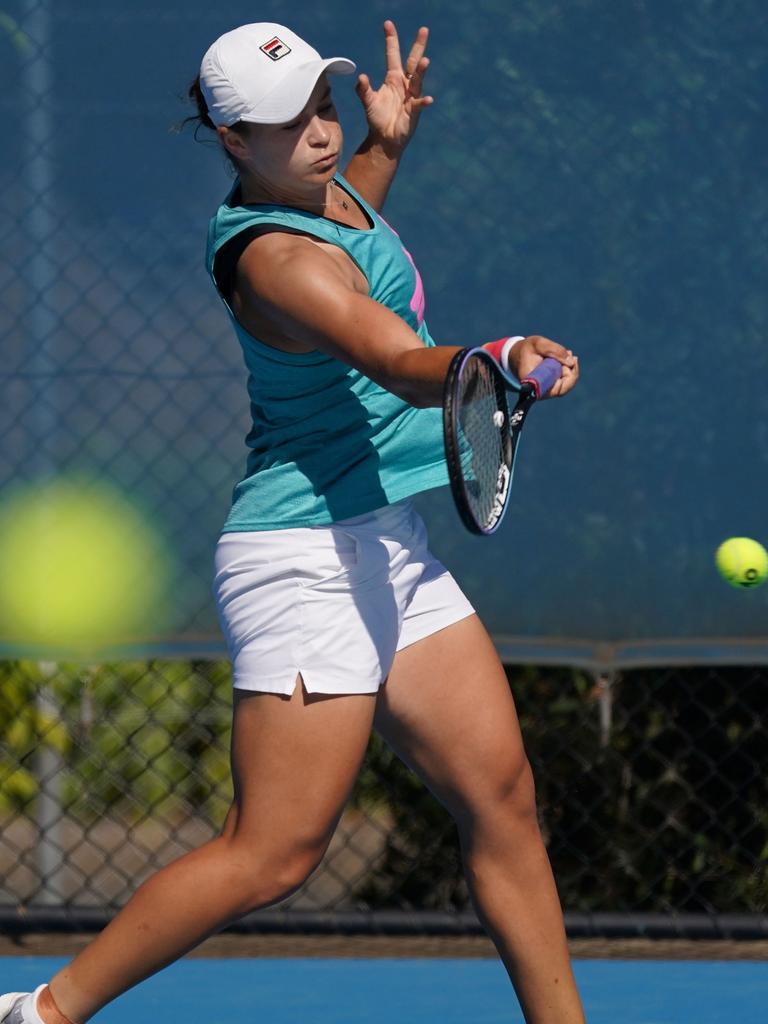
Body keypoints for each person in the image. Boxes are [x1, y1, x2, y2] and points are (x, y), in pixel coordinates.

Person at [1, 19, 583, 1024]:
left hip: (386, 542)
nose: (318, 130)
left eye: (322, 102)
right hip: (303, 558)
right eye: (287, 121)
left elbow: (353, 228)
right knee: (271, 854)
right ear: (232, 138)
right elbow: (397, 360)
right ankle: (41, 1013)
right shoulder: (274, 260)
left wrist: (384, 145)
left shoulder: (326, 189)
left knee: (503, 801)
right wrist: (498, 352)